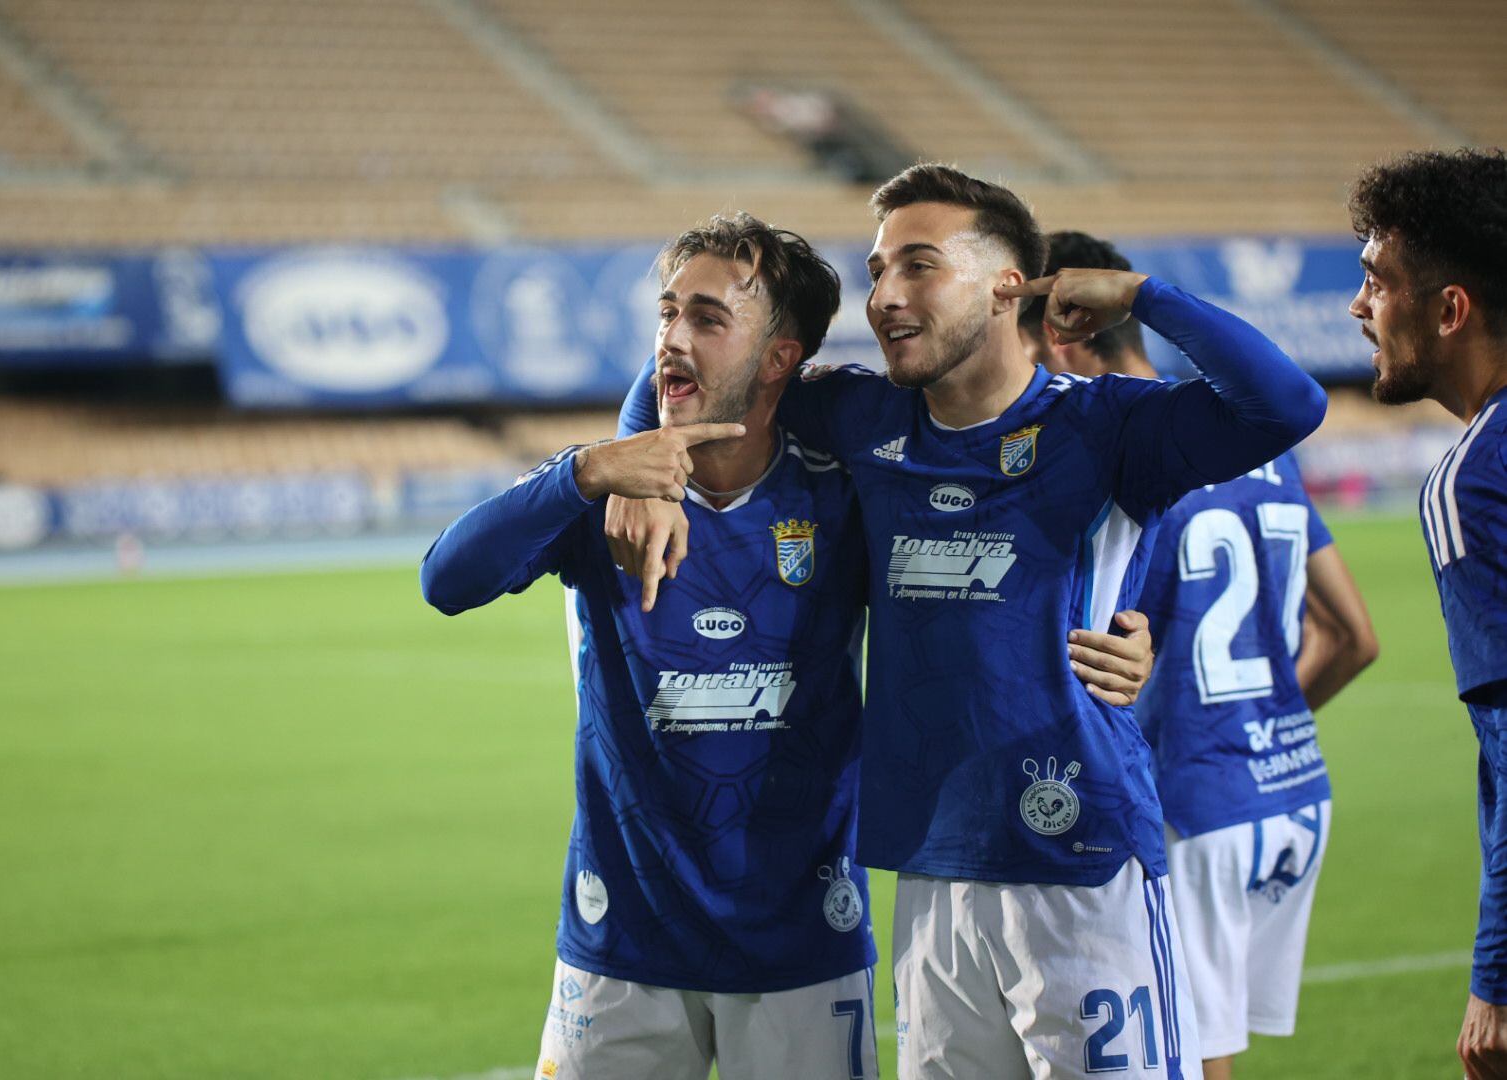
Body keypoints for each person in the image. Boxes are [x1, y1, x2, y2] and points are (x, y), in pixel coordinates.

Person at [615, 163, 1328, 1078]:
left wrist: (1148, 296)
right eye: (877, 271)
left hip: (1082, 858)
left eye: (918, 265)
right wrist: (651, 455)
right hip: (929, 869)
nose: (885, 295)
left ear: (1007, 287)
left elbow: (1287, 405)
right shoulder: (861, 414)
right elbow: (701, 359)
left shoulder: (1108, 426)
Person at [421, 213, 1154, 1078]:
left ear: (781, 360)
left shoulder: (848, 489)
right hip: (619, 943)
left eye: (706, 319)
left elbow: (988, 563)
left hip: (804, 947)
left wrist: (1131, 636)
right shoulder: (597, 495)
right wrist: (593, 466)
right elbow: (447, 580)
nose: (671, 341)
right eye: (666, 315)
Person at [1025, 230, 1379, 1078]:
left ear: (1064, 333)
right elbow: (1354, 636)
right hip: (1292, 794)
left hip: (1197, 809)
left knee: (1187, 1055)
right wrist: (1259, 729)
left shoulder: (1117, 458)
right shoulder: (1257, 448)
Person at [1347, 147, 1507, 1080]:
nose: (1358, 308)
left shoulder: (1475, 480)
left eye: (1375, 282)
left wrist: (1495, 974)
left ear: (1450, 310)